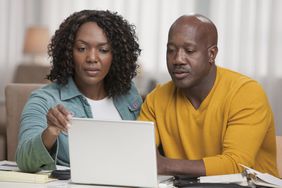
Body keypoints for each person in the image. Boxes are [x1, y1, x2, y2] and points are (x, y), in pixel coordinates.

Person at [138, 14, 279, 177]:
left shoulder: (245, 93)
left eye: (189, 51)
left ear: (212, 54)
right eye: (171, 50)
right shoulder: (157, 98)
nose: (178, 59)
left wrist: (164, 165)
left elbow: (236, 165)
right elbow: (139, 151)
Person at [16, 10, 142, 172]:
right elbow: (24, 160)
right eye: (82, 48)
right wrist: (51, 131)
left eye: (103, 50)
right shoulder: (45, 100)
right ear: (69, 52)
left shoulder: (128, 93)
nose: (91, 58)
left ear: (115, 55)